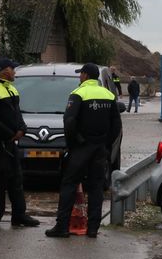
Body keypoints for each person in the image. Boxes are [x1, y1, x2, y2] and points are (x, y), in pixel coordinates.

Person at [45, 63, 122, 238]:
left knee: (69, 184)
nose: (80, 77)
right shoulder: (109, 95)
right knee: (96, 187)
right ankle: (93, 229)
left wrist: (74, 143)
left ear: (86, 76)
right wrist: (106, 144)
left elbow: (69, 121)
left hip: (81, 148)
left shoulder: (78, 93)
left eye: (81, 74)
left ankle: (62, 227)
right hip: (100, 148)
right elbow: (116, 125)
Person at [0, 58, 40, 228]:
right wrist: (10, 134)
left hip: (12, 142)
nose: (15, 72)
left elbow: (17, 114)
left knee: (16, 179)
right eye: (12, 69)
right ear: (3, 70)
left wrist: (22, 129)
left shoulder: (11, 89)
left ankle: (19, 215)